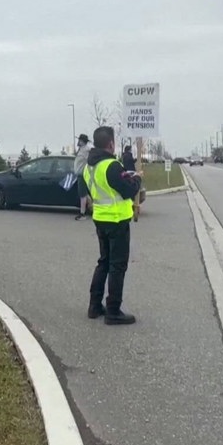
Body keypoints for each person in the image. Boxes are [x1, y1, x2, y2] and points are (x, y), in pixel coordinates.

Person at [82, 126, 142, 325]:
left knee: (104, 262)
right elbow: (127, 189)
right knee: (117, 266)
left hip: (100, 218)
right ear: (110, 144)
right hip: (117, 220)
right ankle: (113, 310)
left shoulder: (89, 167)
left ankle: (95, 306)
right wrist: (138, 179)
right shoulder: (112, 165)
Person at [72, 133, 91, 221]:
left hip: (82, 174)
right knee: (84, 194)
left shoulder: (87, 149)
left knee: (82, 194)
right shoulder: (81, 149)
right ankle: (91, 207)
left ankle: (82, 213)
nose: (78, 141)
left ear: (83, 141)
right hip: (79, 173)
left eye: (79, 140)